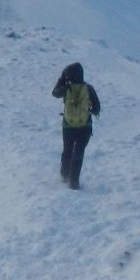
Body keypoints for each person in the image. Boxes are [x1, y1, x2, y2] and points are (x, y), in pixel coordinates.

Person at [51, 62, 102, 190]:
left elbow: (54, 93)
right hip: (84, 127)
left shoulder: (66, 88)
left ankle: (64, 176)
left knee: (67, 151)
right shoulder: (88, 88)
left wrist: (61, 80)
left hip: (68, 127)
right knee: (78, 153)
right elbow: (97, 109)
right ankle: (74, 183)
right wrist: (88, 109)